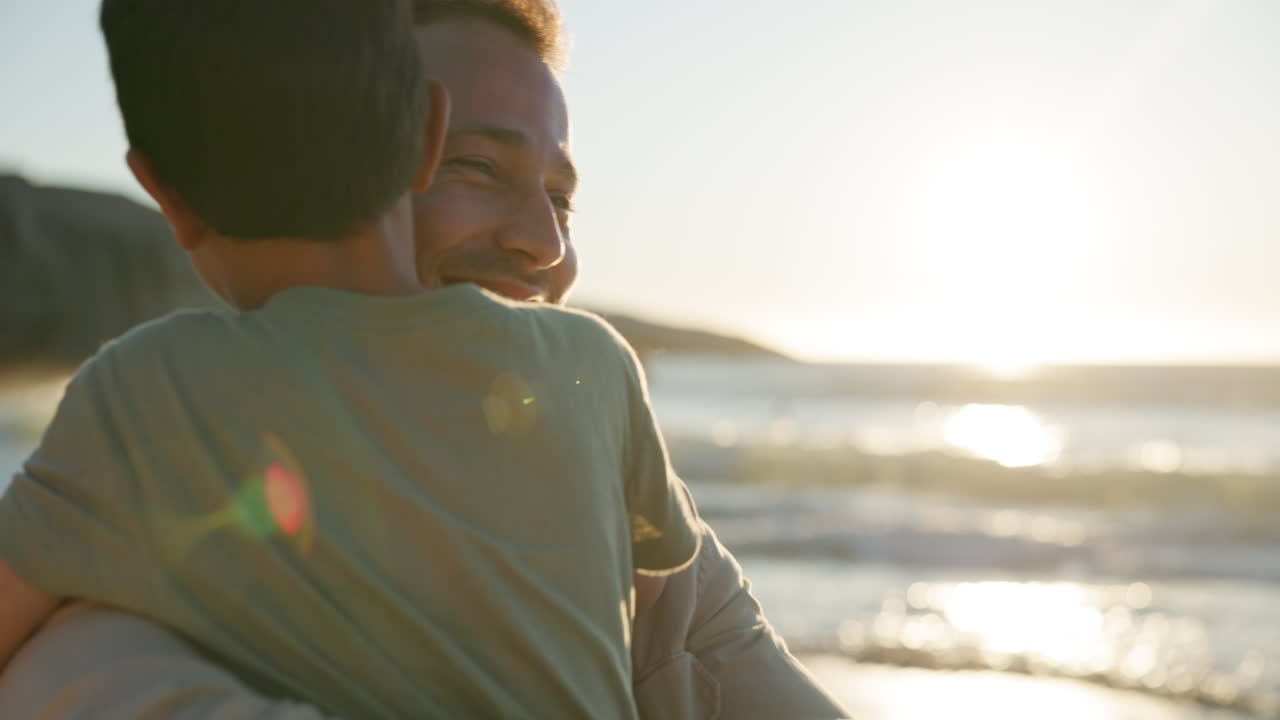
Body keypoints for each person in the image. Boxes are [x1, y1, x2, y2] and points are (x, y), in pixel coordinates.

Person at [0, 1, 853, 718]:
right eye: (477, 166)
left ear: (164, 191)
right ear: (396, 140)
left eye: (562, 198)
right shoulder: (592, 368)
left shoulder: (144, 408)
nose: (546, 247)